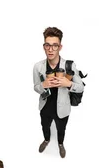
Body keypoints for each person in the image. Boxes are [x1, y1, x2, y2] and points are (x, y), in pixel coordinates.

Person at [33, 27, 85, 158]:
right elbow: (36, 87)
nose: (50, 49)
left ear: (60, 47)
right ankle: (46, 140)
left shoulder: (69, 65)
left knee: (61, 129)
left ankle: (61, 144)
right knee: (45, 126)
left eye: (54, 45)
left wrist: (68, 84)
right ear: (44, 46)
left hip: (63, 106)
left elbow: (81, 87)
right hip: (45, 106)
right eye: (47, 45)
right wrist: (43, 85)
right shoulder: (38, 67)